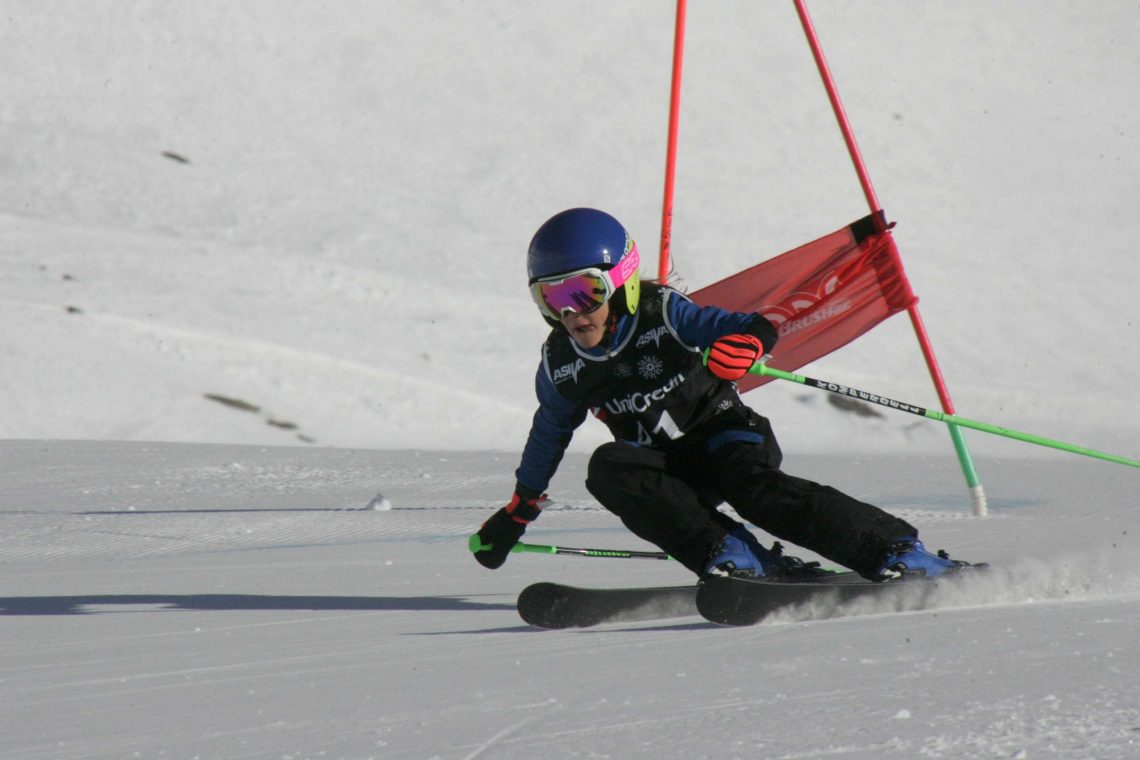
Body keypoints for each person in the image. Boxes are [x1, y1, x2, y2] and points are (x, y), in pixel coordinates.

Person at [472, 207, 968, 581]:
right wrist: (519, 509)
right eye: (552, 297)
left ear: (621, 282)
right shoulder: (562, 364)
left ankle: (896, 550)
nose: (572, 313)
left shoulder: (663, 313)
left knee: (754, 491)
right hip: (668, 469)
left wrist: (747, 345)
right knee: (608, 468)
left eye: (585, 292)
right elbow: (549, 433)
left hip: (725, 436)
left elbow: (748, 326)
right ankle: (737, 557)